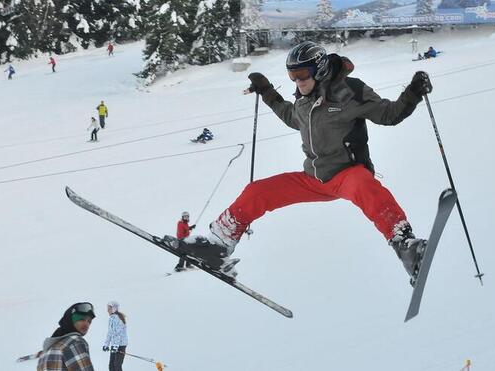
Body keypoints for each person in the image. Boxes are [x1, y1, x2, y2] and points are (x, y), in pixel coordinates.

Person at [177, 41, 433, 285]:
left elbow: (389, 114)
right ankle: (218, 244)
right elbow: (290, 116)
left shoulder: (350, 91)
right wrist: (267, 91)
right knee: (257, 191)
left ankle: (406, 246)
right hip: (313, 179)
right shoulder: (303, 101)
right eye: (292, 76)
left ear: (319, 69)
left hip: (346, 174)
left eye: (301, 74)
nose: (297, 81)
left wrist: (412, 93)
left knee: (365, 185)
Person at [37, 302, 96, 371]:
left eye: (89, 321)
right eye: (81, 319)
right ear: (70, 320)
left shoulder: (46, 352)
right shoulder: (75, 342)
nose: (86, 324)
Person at [102, 301, 128, 371]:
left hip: (121, 345)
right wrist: (106, 345)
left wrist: (116, 346)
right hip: (114, 345)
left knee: (117, 365)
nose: (107, 310)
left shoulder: (118, 319)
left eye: (109, 308)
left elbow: (118, 334)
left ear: (114, 309)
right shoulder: (111, 318)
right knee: (111, 365)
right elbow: (110, 333)